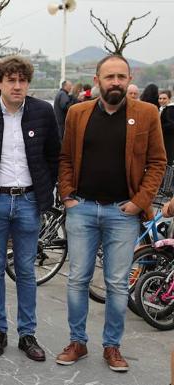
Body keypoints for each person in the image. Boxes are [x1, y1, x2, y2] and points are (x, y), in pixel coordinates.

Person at [57, 55, 166, 372]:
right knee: (77, 279)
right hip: (82, 209)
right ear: (97, 80)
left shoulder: (146, 114)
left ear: (129, 78)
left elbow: (157, 162)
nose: (115, 82)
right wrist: (66, 195)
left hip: (123, 212)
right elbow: (65, 158)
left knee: (117, 284)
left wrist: (139, 201)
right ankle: (78, 341)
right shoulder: (77, 113)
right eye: (109, 77)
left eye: (121, 76)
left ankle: (112, 346)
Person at [0, 56, 60, 362]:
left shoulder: (43, 112)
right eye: (11, 80)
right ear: (0, 83)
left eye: (22, 80)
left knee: (26, 270)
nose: (17, 86)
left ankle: (27, 333)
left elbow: (53, 156)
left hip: (29, 200)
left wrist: (45, 189)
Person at [160, 90, 174, 163]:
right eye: (160, 98)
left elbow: (171, 124)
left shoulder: (170, 109)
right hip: (166, 140)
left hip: (168, 141)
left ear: (169, 99)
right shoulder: (164, 109)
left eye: (164, 98)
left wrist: (159, 127)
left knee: (168, 163)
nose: (161, 100)